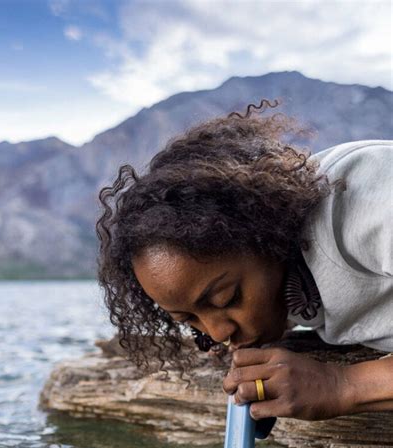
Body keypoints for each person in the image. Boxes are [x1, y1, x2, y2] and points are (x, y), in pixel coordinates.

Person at [96, 99, 393, 422]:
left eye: (226, 298)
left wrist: (344, 385)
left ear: (265, 232)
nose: (218, 331)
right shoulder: (280, 278)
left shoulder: (367, 203)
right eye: (190, 320)